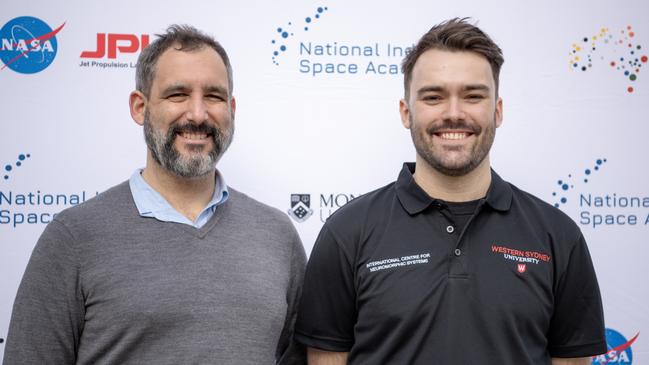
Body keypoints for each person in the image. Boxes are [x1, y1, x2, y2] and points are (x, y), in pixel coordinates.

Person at [295, 18, 606, 365]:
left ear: (497, 110)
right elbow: (325, 358)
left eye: (473, 96)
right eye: (434, 97)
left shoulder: (557, 236)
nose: (454, 114)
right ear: (406, 112)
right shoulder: (347, 232)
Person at [3, 25, 306, 365]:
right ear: (139, 107)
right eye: (177, 94)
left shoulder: (277, 235)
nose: (197, 114)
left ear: (232, 109)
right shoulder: (74, 238)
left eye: (214, 96)